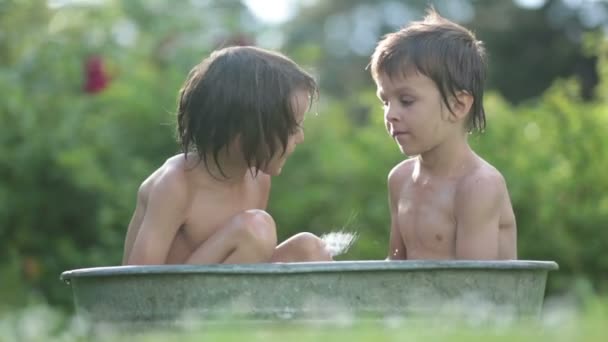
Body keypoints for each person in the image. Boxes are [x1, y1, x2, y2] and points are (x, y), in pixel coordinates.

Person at [122, 46, 333, 265]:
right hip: (169, 296)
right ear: (243, 130)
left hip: (228, 291)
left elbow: (249, 260)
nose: (300, 137)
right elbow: (138, 284)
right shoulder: (175, 185)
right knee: (256, 230)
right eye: (290, 129)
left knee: (311, 249)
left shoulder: (258, 181)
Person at [369, 8, 517, 260]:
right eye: (385, 101)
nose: (390, 114)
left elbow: (476, 291)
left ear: (458, 105)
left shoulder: (478, 186)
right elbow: (395, 267)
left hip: (477, 299)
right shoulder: (400, 179)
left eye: (406, 100)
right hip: (422, 300)